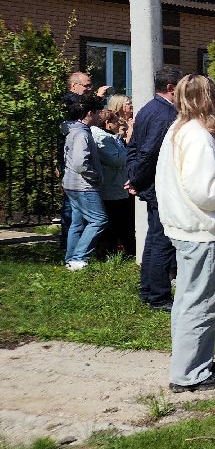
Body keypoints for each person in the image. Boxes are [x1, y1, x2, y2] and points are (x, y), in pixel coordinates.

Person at [157, 75, 215, 393]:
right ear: (207, 98)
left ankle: (193, 363)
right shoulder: (196, 135)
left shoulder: (177, 129)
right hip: (200, 230)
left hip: (185, 226)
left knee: (188, 300)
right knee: (203, 302)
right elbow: (205, 191)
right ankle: (191, 373)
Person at [127, 66, 182, 309]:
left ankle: (148, 289)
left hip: (148, 182)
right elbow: (148, 152)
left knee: (153, 238)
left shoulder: (148, 108)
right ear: (171, 88)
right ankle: (158, 296)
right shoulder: (164, 115)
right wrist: (137, 179)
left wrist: (134, 177)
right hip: (157, 184)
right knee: (162, 240)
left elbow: (134, 147)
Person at [61, 94, 107, 270]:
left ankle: (71, 258)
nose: (99, 116)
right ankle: (79, 258)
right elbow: (81, 163)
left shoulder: (73, 130)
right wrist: (95, 176)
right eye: (97, 113)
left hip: (72, 184)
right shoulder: (81, 134)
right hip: (84, 185)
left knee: (77, 223)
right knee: (99, 220)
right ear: (89, 113)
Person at [92, 109, 133, 260]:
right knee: (112, 223)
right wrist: (127, 140)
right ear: (108, 124)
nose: (119, 123)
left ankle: (120, 251)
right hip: (111, 187)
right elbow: (116, 160)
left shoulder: (110, 137)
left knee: (121, 222)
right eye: (115, 121)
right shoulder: (103, 138)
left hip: (117, 186)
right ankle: (106, 255)